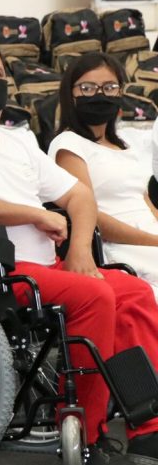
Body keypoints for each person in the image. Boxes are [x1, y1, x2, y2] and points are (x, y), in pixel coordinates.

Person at [0, 37, 158, 465]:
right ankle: (87, 434)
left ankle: (148, 427)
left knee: (131, 289)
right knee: (95, 295)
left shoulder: (18, 141)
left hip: (46, 267)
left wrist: (80, 249)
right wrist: (36, 214)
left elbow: (79, 195)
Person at [49, 52, 158, 291]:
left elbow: (143, 200)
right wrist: (154, 242)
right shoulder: (68, 144)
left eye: (109, 87)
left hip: (150, 240)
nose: (100, 95)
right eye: (87, 88)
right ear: (71, 94)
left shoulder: (124, 145)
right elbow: (88, 215)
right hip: (120, 249)